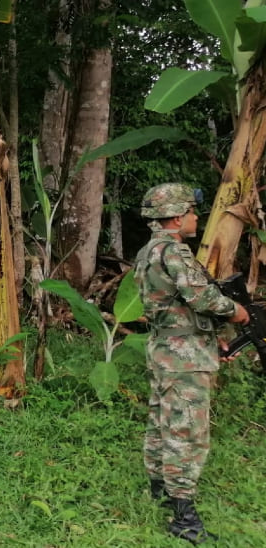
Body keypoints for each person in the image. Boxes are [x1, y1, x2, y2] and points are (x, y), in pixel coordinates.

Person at [134, 182, 249, 544]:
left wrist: (217, 342)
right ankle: (184, 516)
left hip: (167, 349)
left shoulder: (149, 251)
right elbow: (200, 297)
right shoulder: (174, 252)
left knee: (161, 421)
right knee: (187, 433)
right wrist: (237, 312)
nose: (197, 218)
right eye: (193, 212)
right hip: (183, 358)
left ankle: (159, 489)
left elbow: (177, 306)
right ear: (178, 216)